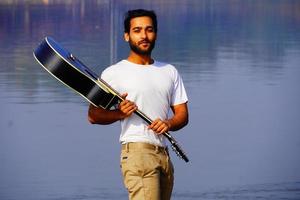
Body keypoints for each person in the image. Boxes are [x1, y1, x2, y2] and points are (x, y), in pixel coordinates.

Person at [88, 9, 189, 200]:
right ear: (127, 36)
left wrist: (168, 123)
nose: (144, 35)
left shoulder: (169, 71)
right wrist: (119, 114)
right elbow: (93, 115)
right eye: (137, 30)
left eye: (149, 30)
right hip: (137, 153)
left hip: (164, 154)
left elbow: (182, 115)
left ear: (155, 34)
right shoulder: (113, 73)